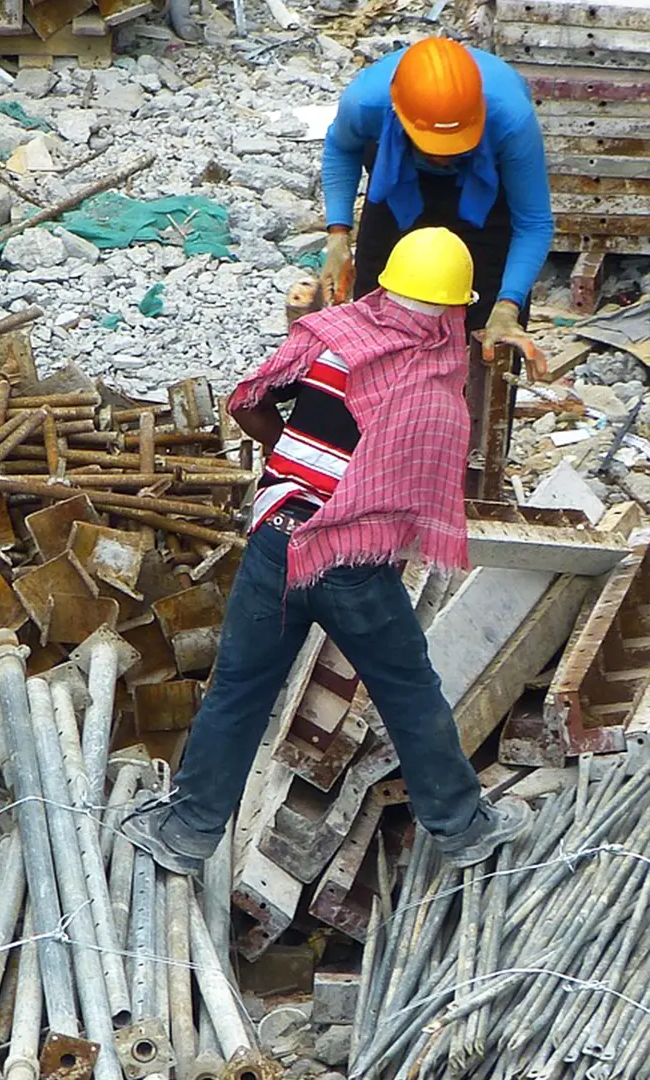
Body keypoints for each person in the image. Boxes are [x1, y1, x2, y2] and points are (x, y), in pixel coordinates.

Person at [122, 227, 530, 876]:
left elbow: (246, 402)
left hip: (275, 543)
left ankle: (186, 833)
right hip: (352, 565)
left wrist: (295, 455)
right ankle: (462, 829)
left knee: (239, 690)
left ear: (388, 286)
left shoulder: (330, 338)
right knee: (409, 694)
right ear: (455, 308)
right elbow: (414, 492)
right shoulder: (431, 389)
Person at [319, 36, 552, 344]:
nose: (443, 157)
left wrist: (508, 305)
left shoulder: (511, 120)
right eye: (434, 148)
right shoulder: (366, 102)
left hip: (482, 183)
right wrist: (337, 235)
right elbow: (341, 148)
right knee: (378, 297)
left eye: (453, 146)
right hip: (398, 174)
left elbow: (534, 222)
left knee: (483, 313)